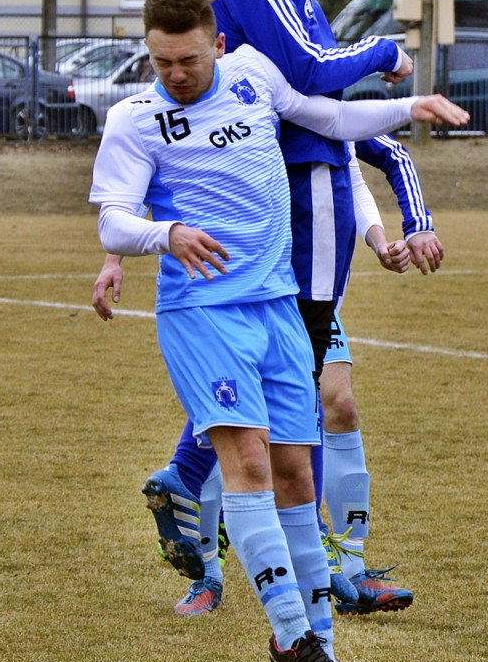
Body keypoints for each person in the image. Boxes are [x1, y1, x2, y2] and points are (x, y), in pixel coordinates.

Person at [90, 0, 468, 662]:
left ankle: (320, 650)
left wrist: (406, 108)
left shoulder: (257, 73)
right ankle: (294, 638)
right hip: (203, 315)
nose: (176, 74)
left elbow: (325, 118)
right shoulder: (135, 119)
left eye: (189, 59)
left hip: (278, 308)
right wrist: (163, 236)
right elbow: (115, 217)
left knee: (298, 473)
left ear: (218, 45)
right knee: (251, 466)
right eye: (162, 61)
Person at [144, 0, 423, 613]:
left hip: (262, 182)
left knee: (306, 384)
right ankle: (288, 556)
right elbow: (310, 70)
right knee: (291, 385)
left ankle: (296, 552)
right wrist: (388, 52)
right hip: (304, 181)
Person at [94, 135, 442, 619]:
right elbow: (163, 173)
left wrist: (380, 239)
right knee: (238, 425)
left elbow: (352, 172)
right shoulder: (242, 97)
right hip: (252, 284)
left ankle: (347, 565)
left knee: (336, 402)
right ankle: (207, 570)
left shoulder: (315, 89)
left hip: (314, 287)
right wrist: (114, 259)